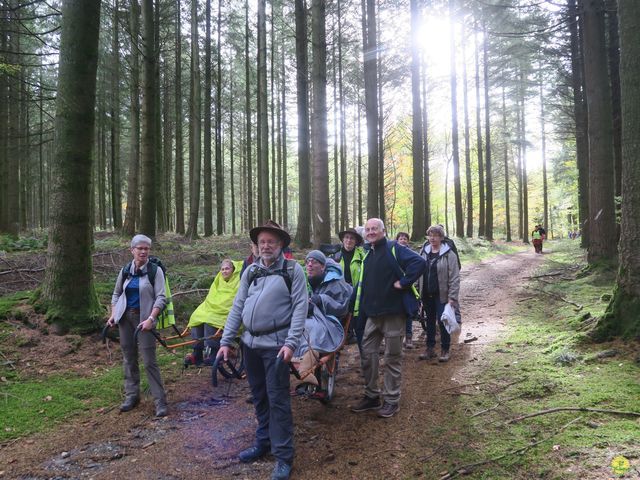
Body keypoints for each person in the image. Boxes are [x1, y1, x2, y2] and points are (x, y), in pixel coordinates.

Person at [217, 220, 307, 480]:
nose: (266, 246)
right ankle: (264, 442)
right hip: (250, 345)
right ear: (257, 246)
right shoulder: (251, 271)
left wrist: (291, 344)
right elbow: (237, 307)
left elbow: (300, 308)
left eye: (271, 242)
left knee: (278, 400)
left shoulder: (293, 270)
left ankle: (283, 457)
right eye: (262, 242)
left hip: (277, 348)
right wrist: (226, 342)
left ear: (280, 245)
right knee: (259, 396)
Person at [350, 218, 426, 418]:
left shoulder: (394, 248)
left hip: (393, 314)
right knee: (367, 354)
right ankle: (372, 396)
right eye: (368, 229)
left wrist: (404, 282)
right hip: (372, 316)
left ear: (383, 231)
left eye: (375, 228)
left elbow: (419, 262)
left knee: (392, 358)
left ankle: (391, 400)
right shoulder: (367, 254)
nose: (371, 232)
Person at [106, 234, 168, 417]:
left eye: (146, 248)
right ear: (132, 250)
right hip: (125, 319)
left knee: (149, 361)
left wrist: (151, 318)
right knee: (129, 358)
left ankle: (160, 402)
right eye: (139, 248)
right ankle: (132, 396)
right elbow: (116, 294)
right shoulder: (125, 270)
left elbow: (161, 297)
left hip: (145, 321)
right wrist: (113, 314)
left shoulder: (155, 271)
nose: (143, 251)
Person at [294, 250, 352, 388]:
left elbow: (342, 308)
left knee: (314, 328)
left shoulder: (335, 283)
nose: (309, 265)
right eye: (307, 262)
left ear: (323, 266)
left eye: (314, 262)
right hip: (307, 318)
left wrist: (321, 300)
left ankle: (305, 370)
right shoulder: (303, 280)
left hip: (330, 322)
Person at [184, 259, 243, 366]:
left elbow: (234, 297)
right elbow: (212, 294)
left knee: (210, 320)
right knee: (197, 317)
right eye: (222, 269)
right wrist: (211, 304)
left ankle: (214, 353)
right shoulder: (218, 279)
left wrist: (219, 305)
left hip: (226, 309)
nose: (224, 271)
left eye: (227, 269)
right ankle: (197, 352)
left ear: (233, 270)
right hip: (213, 306)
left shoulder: (238, 280)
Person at [417, 225, 460, 363]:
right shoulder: (423, 252)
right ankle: (430, 349)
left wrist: (452, 297)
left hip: (442, 295)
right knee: (429, 321)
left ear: (441, 237)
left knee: (443, 322)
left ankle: (445, 350)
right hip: (426, 293)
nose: (432, 238)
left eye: (435, 235)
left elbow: (454, 277)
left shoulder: (449, 254)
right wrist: (417, 290)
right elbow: (418, 272)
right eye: (430, 235)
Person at [395, 232, 416, 349]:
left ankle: (408, 337)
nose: (403, 240)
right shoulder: (393, 253)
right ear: (397, 240)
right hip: (395, 287)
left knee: (408, 312)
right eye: (401, 238)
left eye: (405, 239)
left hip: (408, 287)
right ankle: (396, 339)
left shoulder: (411, 254)